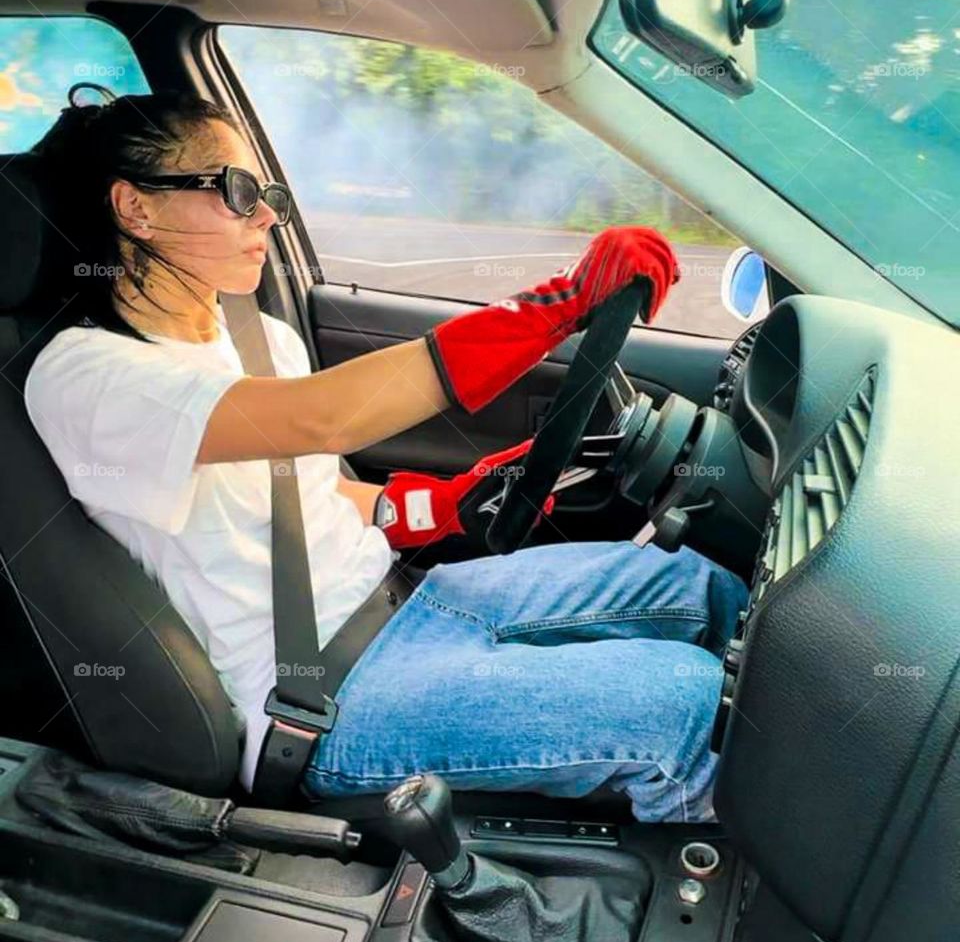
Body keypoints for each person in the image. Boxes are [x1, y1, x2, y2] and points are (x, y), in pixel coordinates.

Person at [23, 89, 747, 823]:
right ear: (136, 208)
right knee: (685, 708)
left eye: (267, 192)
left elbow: (313, 492)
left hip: (402, 600)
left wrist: (447, 501)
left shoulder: (257, 335)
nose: (268, 215)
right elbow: (319, 418)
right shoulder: (85, 376)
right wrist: (551, 307)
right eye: (237, 191)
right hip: (316, 697)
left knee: (699, 588)